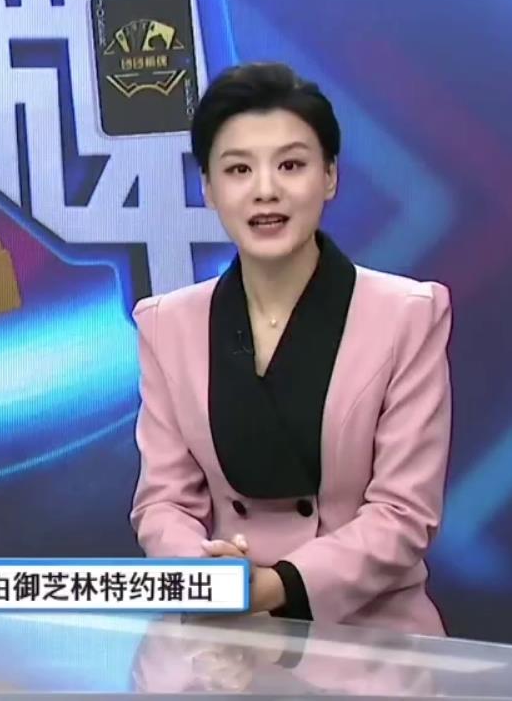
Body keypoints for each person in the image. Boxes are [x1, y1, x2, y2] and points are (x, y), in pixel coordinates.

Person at [129, 62, 453, 634]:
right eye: (238, 169)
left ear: (329, 176)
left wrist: (277, 585)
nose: (265, 190)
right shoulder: (166, 324)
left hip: (372, 636)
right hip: (225, 640)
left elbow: (404, 513)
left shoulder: (408, 313)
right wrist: (205, 574)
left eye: (291, 165)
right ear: (208, 188)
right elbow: (164, 503)